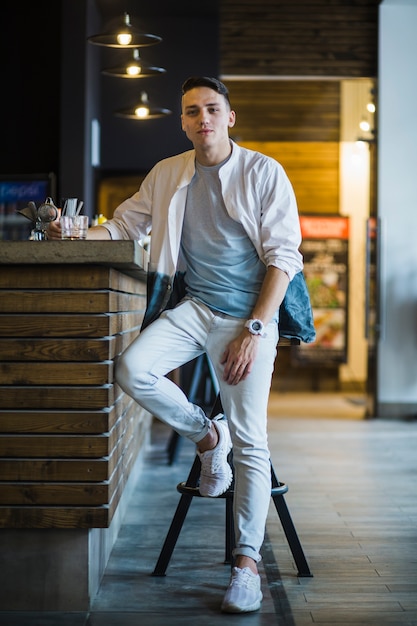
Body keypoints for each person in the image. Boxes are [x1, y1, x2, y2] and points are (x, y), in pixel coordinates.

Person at [48, 76, 304, 613]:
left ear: (230, 117)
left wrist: (256, 332)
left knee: (253, 440)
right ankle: (208, 437)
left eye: (212, 109)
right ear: (183, 121)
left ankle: (247, 565)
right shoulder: (168, 173)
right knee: (132, 368)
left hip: (248, 318)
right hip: (197, 309)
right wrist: (72, 235)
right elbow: (123, 227)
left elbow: (284, 258)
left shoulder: (263, 172)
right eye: (192, 112)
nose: (202, 119)